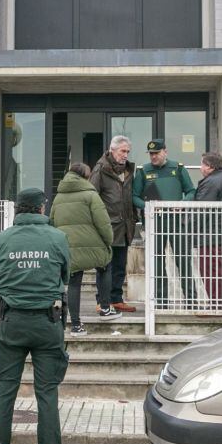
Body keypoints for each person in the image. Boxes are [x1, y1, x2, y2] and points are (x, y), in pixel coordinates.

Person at [0, 188, 72, 444]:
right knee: (47, 396)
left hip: (11, 321)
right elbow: (65, 276)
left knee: (4, 392)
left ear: (18, 209)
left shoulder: (2, 239)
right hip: (47, 322)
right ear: (40, 208)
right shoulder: (57, 238)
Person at [49, 162, 115, 335]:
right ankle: (105, 308)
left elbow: (52, 223)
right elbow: (103, 222)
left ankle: (76, 325)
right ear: (85, 176)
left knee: (74, 283)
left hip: (68, 246)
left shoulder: (58, 197)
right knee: (105, 265)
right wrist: (108, 241)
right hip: (93, 245)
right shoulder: (91, 195)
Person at [133, 139, 196, 309]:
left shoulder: (178, 168)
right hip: (155, 223)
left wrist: (182, 204)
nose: (154, 156)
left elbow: (191, 191)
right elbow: (134, 196)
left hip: (177, 222)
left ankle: (191, 301)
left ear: (165, 152)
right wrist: (148, 206)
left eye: (157, 153)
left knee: (183, 261)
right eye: (151, 154)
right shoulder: (143, 171)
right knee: (158, 263)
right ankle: (161, 303)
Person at [90, 135, 138, 316]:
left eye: (127, 151)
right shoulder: (100, 169)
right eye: (122, 151)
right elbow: (92, 197)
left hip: (125, 227)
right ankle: (102, 301)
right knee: (105, 267)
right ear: (112, 150)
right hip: (107, 228)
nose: (125, 155)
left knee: (120, 266)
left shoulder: (128, 171)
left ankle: (116, 299)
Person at [194, 151, 222, 310]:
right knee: (215, 269)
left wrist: (188, 228)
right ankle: (216, 304)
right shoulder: (221, 179)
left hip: (211, 235)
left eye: (202, 164)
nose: (200, 167)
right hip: (217, 233)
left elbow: (201, 210)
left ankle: (216, 306)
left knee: (211, 270)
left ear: (209, 166)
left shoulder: (211, 182)